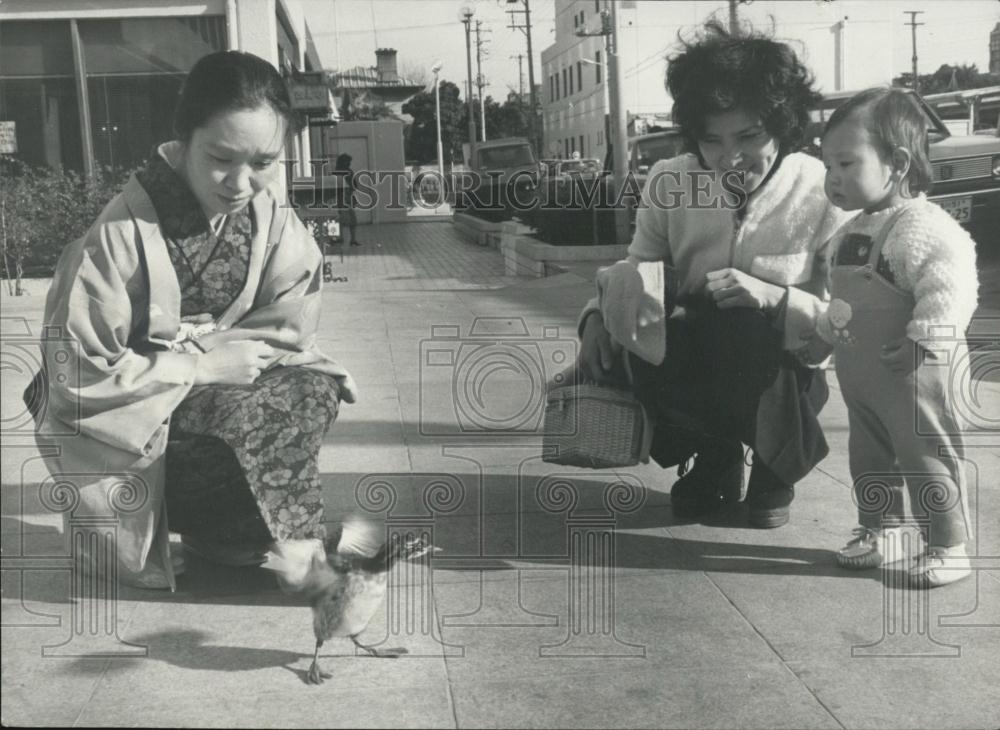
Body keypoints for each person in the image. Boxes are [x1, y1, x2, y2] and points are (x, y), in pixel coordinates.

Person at [25, 50, 358, 589]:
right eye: (221, 157)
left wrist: (224, 356)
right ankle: (286, 553)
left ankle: (231, 533)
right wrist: (197, 365)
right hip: (135, 420)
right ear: (184, 137)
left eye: (264, 162)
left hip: (217, 391)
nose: (241, 182)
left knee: (311, 390)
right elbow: (74, 376)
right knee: (256, 416)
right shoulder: (117, 235)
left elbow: (291, 317)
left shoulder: (269, 213)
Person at [577, 21, 853, 528]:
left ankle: (774, 466)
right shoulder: (670, 180)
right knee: (659, 338)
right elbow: (639, 268)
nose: (731, 157)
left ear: (782, 123)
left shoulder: (822, 188)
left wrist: (774, 299)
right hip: (694, 349)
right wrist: (597, 315)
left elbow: (842, 315)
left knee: (755, 333)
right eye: (712, 140)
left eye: (749, 135)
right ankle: (715, 456)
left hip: (785, 363)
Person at [800, 87, 977, 587]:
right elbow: (842, 302)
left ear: (897, 163)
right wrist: (820, 339)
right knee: (869, 457)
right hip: (863, 378)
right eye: (827, 166)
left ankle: (948, 542)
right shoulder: (846, 232)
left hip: (914, 373)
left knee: (925, 456)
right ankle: (884, 528)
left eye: (846, 164)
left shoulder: (924, 226)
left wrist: (926, 338)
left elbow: (952, 285)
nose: (832, 178)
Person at [334, 152, 363, 246]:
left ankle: (343, 238)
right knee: (349, 219)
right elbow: (355, 185)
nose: (349, 163)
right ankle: (350, 239)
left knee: (344, 219)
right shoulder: (347, 172)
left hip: (343, 198)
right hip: (344, 198)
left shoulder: (338, 172)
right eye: (348, 161)